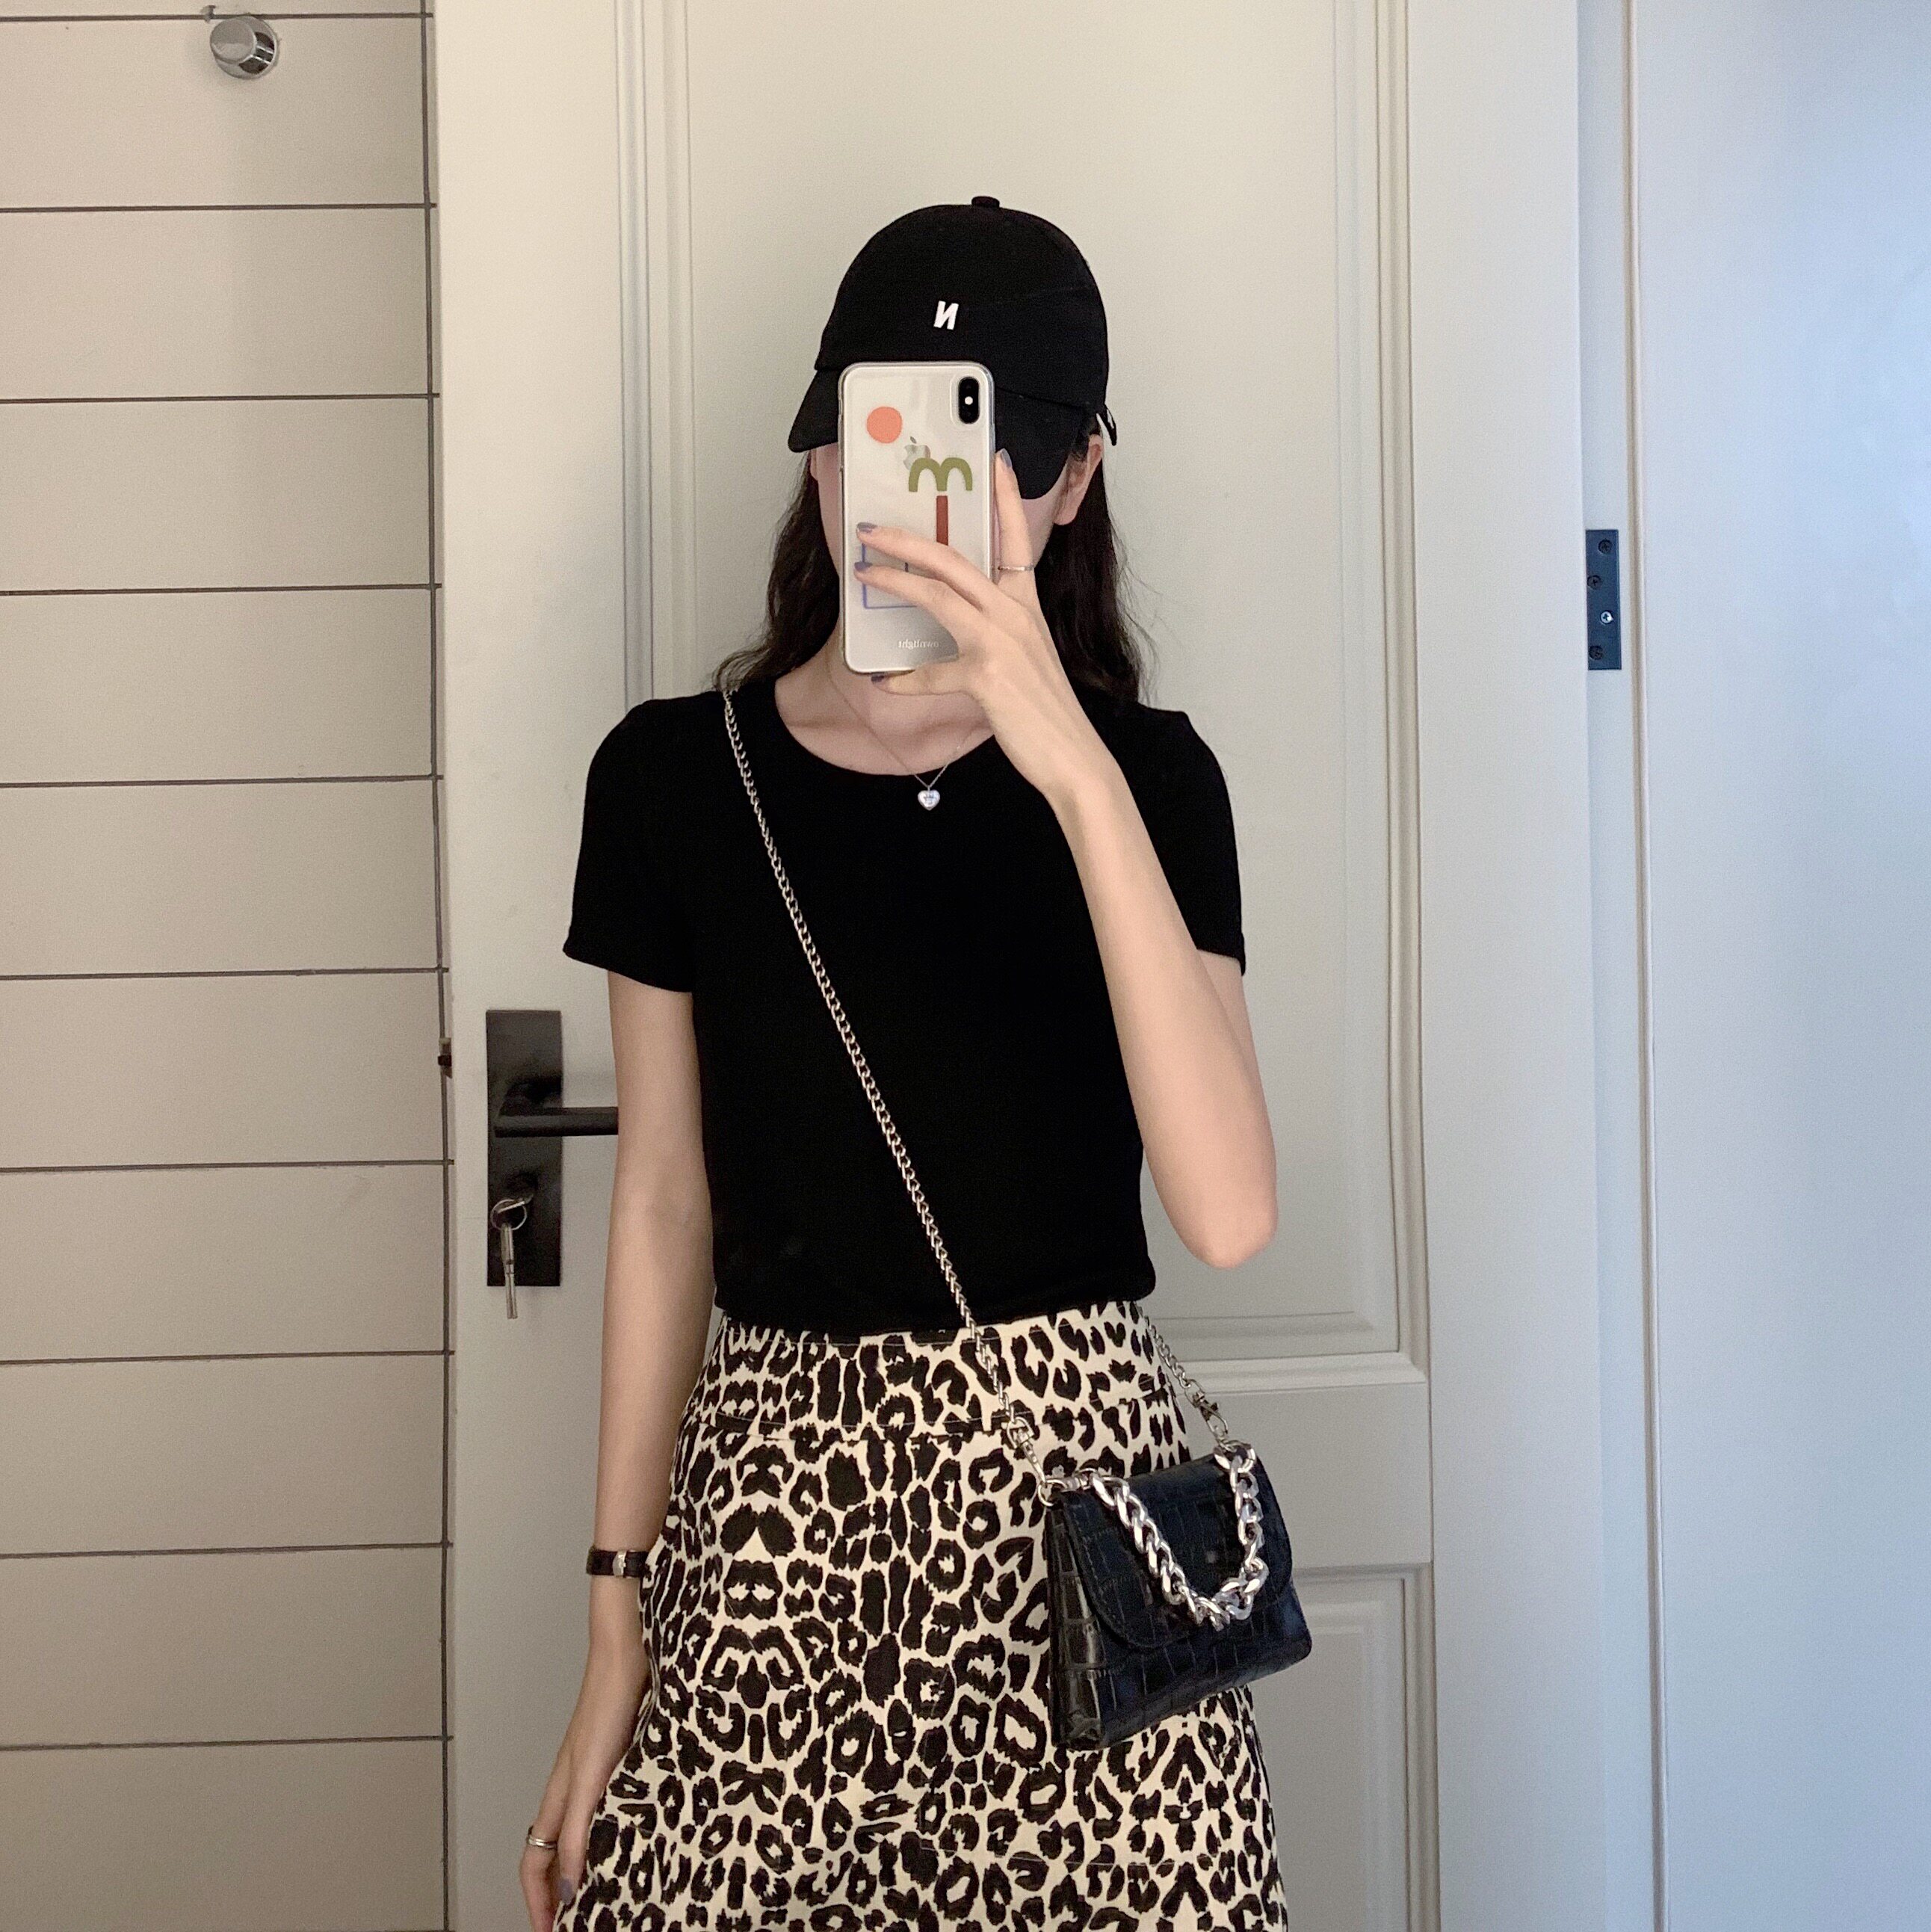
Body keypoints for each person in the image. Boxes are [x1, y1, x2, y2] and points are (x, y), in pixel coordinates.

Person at [526, 198, 1291, 1932]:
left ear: (1070, 481)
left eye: (993, 452)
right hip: (772, 1530)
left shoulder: (1150, 783)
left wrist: (1069, 764)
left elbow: (1229, 1210)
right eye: (887, 437)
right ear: (819, 451)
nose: (930, 497)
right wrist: (611, 1620)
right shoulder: (671, 781)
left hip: (1078, 1544)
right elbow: (661, 1208)